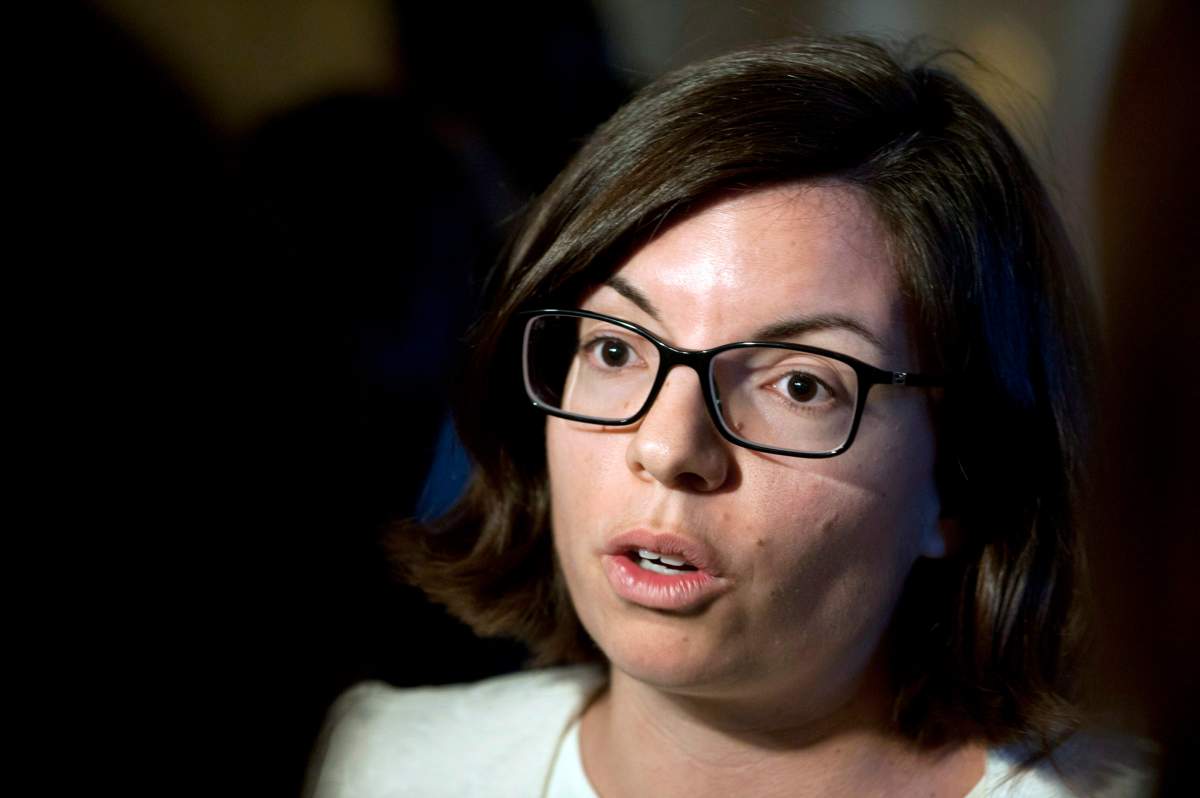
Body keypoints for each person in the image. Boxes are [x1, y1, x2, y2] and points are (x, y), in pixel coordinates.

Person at [304, 36, 1153, 797]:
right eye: (614, 350)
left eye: (799, 385)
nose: (669, 447)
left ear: (962, 479)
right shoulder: (369, 765)